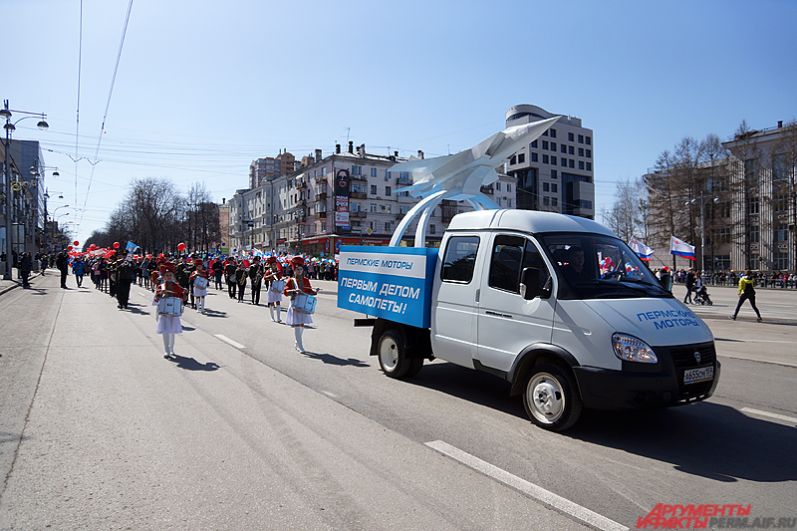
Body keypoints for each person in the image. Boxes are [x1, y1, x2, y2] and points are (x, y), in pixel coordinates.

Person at [283, 256, 320, 353]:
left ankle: (297, 342)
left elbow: (309, 291)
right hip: (295, 303)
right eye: (297, 269)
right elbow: (286, 292)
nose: (299, 271)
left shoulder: (306, 280)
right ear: (294, 270)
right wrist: (294, 290)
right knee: (297, 324)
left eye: (301, 269)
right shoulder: (291, 280)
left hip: (304, 304)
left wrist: (315, 292)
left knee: (302, 324)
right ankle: (300, 345)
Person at [154, 263, 187, 358]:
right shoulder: (161, 287)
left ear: (173, 277)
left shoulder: (177, 286)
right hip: (164, 312)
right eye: (167, 275)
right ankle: (166, 350)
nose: (169, 277)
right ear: (164, 277)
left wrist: (185, 292)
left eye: (170, 275)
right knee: (165, 331)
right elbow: (156, 299)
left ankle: (171, 349)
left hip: (173, 313)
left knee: (172, 331)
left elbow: (183, 298)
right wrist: (160, 294)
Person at [264, 257, 284, 323]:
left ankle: (278, 318)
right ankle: (272, 318)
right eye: (273, 264)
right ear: (271, 265)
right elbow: (265, 277)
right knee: (272, 302)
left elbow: (280, 277)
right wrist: (271, 275)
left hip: (278, 288)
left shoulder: (278, 271)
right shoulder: (269, 271)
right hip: (272, 288)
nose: (275, 265)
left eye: (275, 264)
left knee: (278, 302)